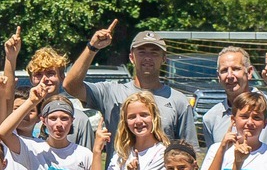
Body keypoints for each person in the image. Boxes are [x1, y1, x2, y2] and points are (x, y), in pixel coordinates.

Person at [63, 24, 199, 146]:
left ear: (164, 58)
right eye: (141, 52)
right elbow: (70, 85)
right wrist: (92, 48)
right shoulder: (111, 93)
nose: (147, 57)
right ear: (131, 57)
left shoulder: (178, 100)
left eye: (154, 53)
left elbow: (189, 149)